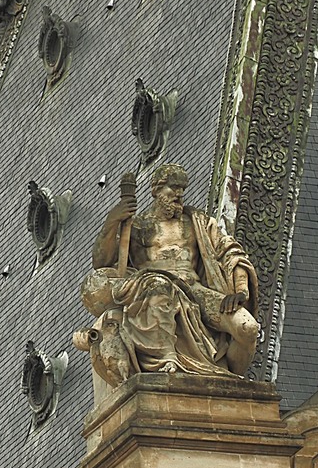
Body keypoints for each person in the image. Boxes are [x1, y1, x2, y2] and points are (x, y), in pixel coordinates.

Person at [82, 163, 259, 381]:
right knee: (159, 286)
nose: (179, 194)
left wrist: (241, 291)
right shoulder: (137, 226)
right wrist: (112, 222)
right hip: (156, 290)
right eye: (173, 188)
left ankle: (231, 383)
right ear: (156, 189)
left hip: (196, 290)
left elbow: (230, 252)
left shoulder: (197, 222)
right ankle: (166, 358)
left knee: (248, 329)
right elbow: (102, 261)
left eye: (182, 189)